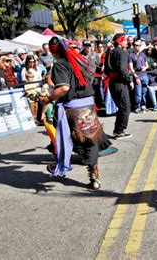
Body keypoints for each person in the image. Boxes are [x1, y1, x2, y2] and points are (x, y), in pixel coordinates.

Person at [39, 36, 112, 190]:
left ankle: (60, 165)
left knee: (64, 137)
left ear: (53, 51)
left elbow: (64, 87)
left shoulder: (60, 65)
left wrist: (48, 98)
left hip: (72, 109)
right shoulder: (78, 62)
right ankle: (94, 177)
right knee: (90, 140)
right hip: (88, 106)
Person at [104, 33, 133, 139]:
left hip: (112, 83)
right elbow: (122, 69)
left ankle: (118, 130)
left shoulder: (110, 52)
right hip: (120, 83)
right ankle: (119, 131)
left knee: (122, 107)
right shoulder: (122, 53)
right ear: (120, 41)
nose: (127, 42)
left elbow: (106, 70)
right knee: (125, 107)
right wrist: (129, 80)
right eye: (125, 40)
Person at [129, 40, 149, 113]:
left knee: (144, 92)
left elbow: (147, 65)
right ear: (134, 46)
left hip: (145, 75)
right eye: (137, 45)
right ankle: (137, 107)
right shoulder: (131, 55)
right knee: (138, 93)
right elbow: (130, 68)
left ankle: (143, 105)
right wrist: (136, 77)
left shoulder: (143, 54)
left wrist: (145, 68)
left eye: (139, 45)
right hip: (138, 76)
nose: (138, 47)